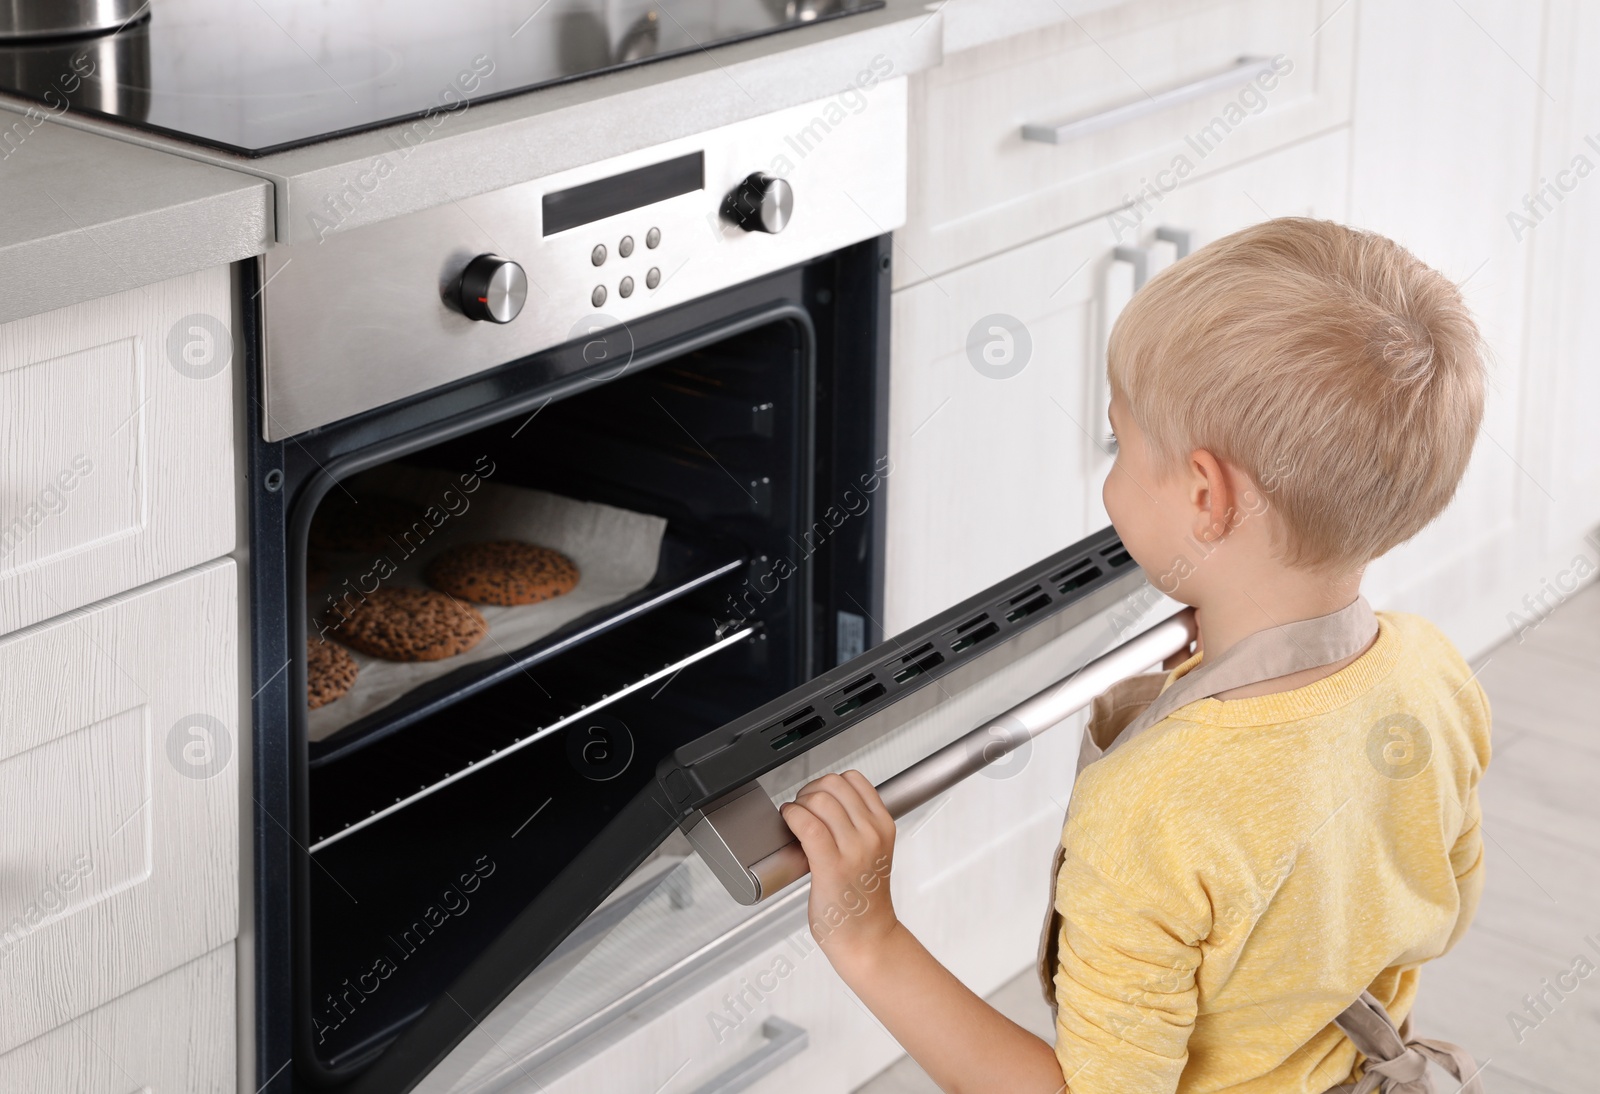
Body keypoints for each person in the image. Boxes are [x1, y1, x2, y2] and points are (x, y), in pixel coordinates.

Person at [780, 218, 1492, 1094]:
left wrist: (867, 934)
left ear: (1205, 496)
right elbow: (1442, 900)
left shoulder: (1155, 808)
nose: (1110, 469)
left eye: (1120, 443)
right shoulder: (1433, 674)